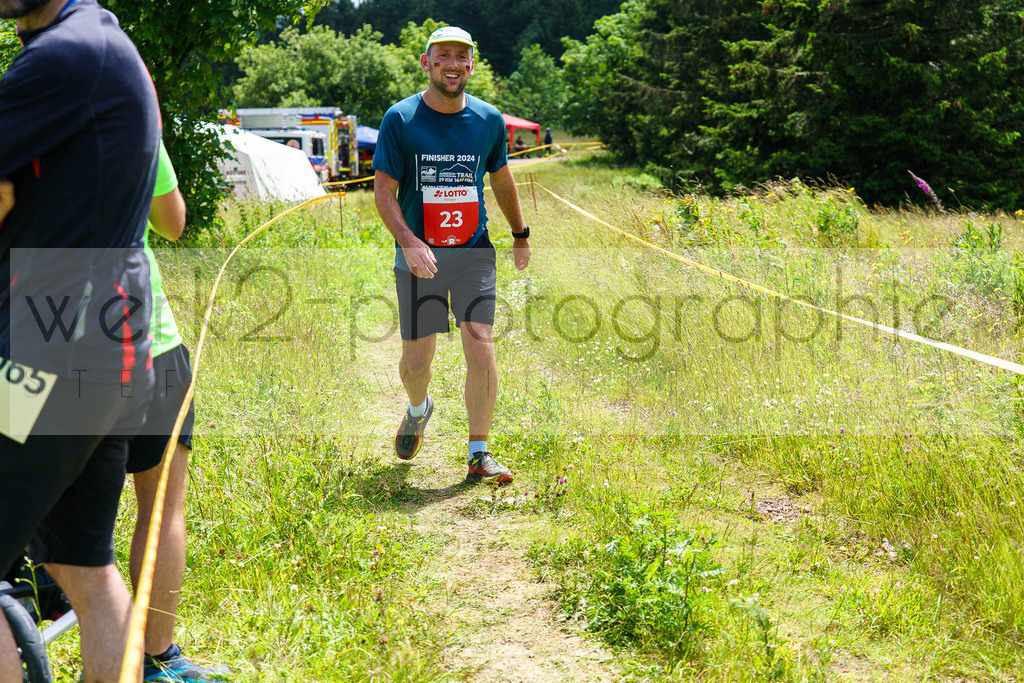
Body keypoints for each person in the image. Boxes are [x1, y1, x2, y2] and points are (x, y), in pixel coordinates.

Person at [0, 0, 160, 680]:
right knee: (83, 564)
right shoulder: (91, 43)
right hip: (104, 344)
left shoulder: (65, 54)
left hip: (49, 351)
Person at [373, 25, 532, 484]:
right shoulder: (400, 119)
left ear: (472, 65)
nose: (453, 65)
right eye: (443, 56)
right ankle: (418, 408)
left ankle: (479, 452)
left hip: (473, 253)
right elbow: (383, 191)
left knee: (480, 343)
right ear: (426, 62)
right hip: (419, 258)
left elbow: (501, 180)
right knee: (416, 363)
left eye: (462, 57)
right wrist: (408, 240)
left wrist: (519, 234)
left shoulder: (488, 120)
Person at [128, 141, 228, 682]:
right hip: (146, 343)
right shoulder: (131, 109)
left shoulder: (14, 112)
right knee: (162, 504)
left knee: (29, 505)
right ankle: (158, 658)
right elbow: (172, 222)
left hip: (34, 344)